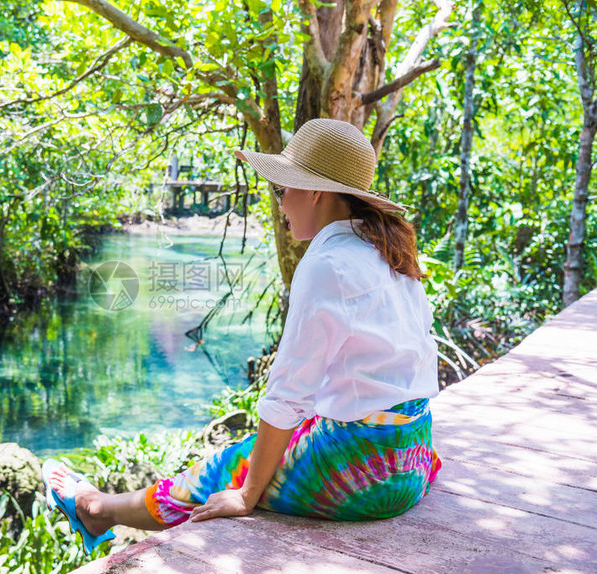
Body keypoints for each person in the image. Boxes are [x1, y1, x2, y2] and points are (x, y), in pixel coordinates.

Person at [42, 118, 442, 555]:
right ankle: (102, 506)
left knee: (218, 472)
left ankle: (94, 509)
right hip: (414, 460)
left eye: (281, 190)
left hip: (362, 476)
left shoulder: (327, 264)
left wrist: (248, 494)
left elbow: (288, 392)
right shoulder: (387, 251)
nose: (280, 203)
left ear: (315, 193)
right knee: (280, 439)